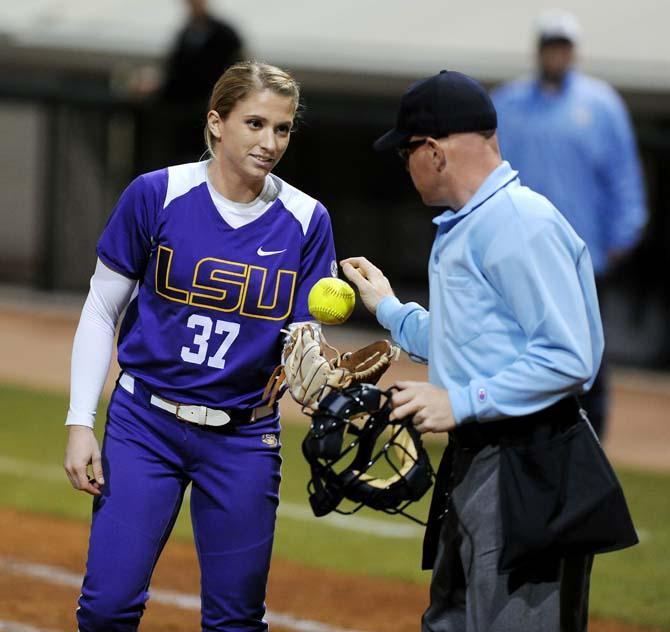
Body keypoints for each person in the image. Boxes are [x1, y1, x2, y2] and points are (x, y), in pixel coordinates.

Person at [341, 70, 624, 631]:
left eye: (406, 152)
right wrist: (390, 310)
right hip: (484, 458)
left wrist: (463, 401)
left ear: (434, 151)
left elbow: (570, 358)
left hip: (531, 466)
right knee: (451, 620)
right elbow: (465, 343)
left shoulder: (519, 223)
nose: (405, 165)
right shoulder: (470, 225)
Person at [63, 61, 337, 631]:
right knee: (107, 608)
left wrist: (315, 367)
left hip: (245, 437)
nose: (270, 142)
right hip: (145, 425)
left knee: (235, 622)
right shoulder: (157, 194)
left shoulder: (308, 220)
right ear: (216, 123)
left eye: (282, 129)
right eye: (255, 123)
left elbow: (305, 337)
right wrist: (79, 421)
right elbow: (101, 307)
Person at [491, 10, 648, 439]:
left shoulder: (601, 104)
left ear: (573, 51)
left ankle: (589, 440)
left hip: (583, 254)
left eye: (563, 46)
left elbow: (624, 176)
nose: (556, 54)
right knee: (515, 347)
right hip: (517, 252)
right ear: (539, 49)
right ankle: (519, 434)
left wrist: (624, 234)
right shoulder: (508, 102)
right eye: (549, 45)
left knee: (585, 356)